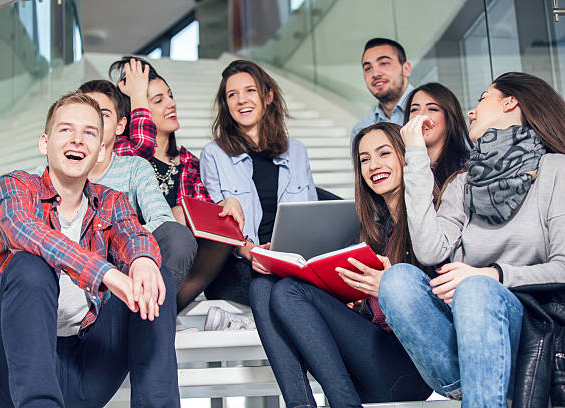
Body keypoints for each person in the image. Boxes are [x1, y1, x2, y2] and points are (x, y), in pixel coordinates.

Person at [0, 92, 179, 406]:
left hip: (86, 367)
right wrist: (104, 273)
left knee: (154, 276)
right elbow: (25, 231)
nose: (78, 139)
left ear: (99, 150)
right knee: (29, 265)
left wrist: (143, 259)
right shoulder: (16, 186)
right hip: (19, 369)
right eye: (66, 130)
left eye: (90, 133)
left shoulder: (112, 200)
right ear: (45, 143)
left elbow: (132, 233)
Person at [379, 72, 565, 407]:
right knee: (397, 279)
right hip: (467, 340)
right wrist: (416, 156)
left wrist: (492, 275)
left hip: (533, 329)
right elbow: (428, 249)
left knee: (477, 288)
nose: (471, 111)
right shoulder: (462, 184)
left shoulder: (556, 171)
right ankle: (481, 384)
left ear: (511, 102)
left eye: (482, 98)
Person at [251, 122, 432, 407]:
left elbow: (438, 306)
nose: (374, 165)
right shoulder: (376, 227)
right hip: (368, 362)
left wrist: (390, 286)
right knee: (262, 286)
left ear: (405, 155)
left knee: (289, 292)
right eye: (364, 159)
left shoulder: (427, 220)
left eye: (384, 153)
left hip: (408, 367)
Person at [33, 79, 197, 295]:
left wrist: (110, 241)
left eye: (103, 114)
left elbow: (162, 220)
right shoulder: (40, 175)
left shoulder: (134, 169)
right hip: (63, 272)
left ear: (121, 126)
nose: (93, 121)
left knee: (176, 236)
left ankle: (151, 312)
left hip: (123, 272)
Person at [109, 56, 244, 312]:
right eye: (158, 100)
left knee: (220, 224)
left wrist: (224, 207)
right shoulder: (122, 152)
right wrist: (137, 94)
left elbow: (205, 221)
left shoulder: (189, 162)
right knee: (173, 225)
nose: (171, 103)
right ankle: (153, 307)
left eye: (170, 96)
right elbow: (140, 149)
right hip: (133, 265)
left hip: (181, 276)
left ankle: (168, 306)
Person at [200, 59, 317, 307]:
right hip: (241, 263)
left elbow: (311, 216)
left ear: (268, 96)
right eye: (232, 95)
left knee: (294, 288)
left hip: (292, 260)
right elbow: (218, 228)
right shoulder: (213, 154)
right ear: (226, 105)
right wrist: (252, 251)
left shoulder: (297, 151)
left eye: (250, 90)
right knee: (273, 290)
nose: (241, 100)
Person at [403, 82, 471, 190]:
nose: (421, 116)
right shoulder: (401, 168)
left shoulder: (466, 168)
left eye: (432, 109)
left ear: (449, 118)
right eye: (414, 110)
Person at [350, 38, 414, 141]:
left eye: (384, 63)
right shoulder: (361, 130)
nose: (375, 74)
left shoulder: (433, 111)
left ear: (406, 69)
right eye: (368, 68)